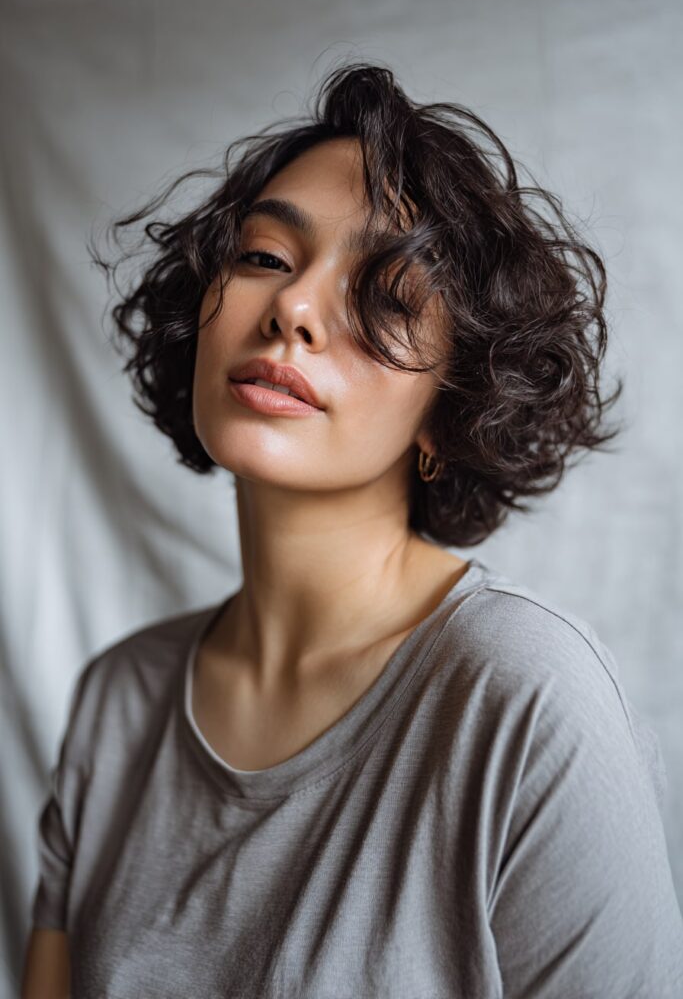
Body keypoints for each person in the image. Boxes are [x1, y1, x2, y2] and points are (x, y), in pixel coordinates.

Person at [21, 62, 683, 998]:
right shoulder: (118, 702)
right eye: (264, 257)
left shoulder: (527, 700)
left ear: (449, 407)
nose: (292, 308)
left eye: (387, 293)